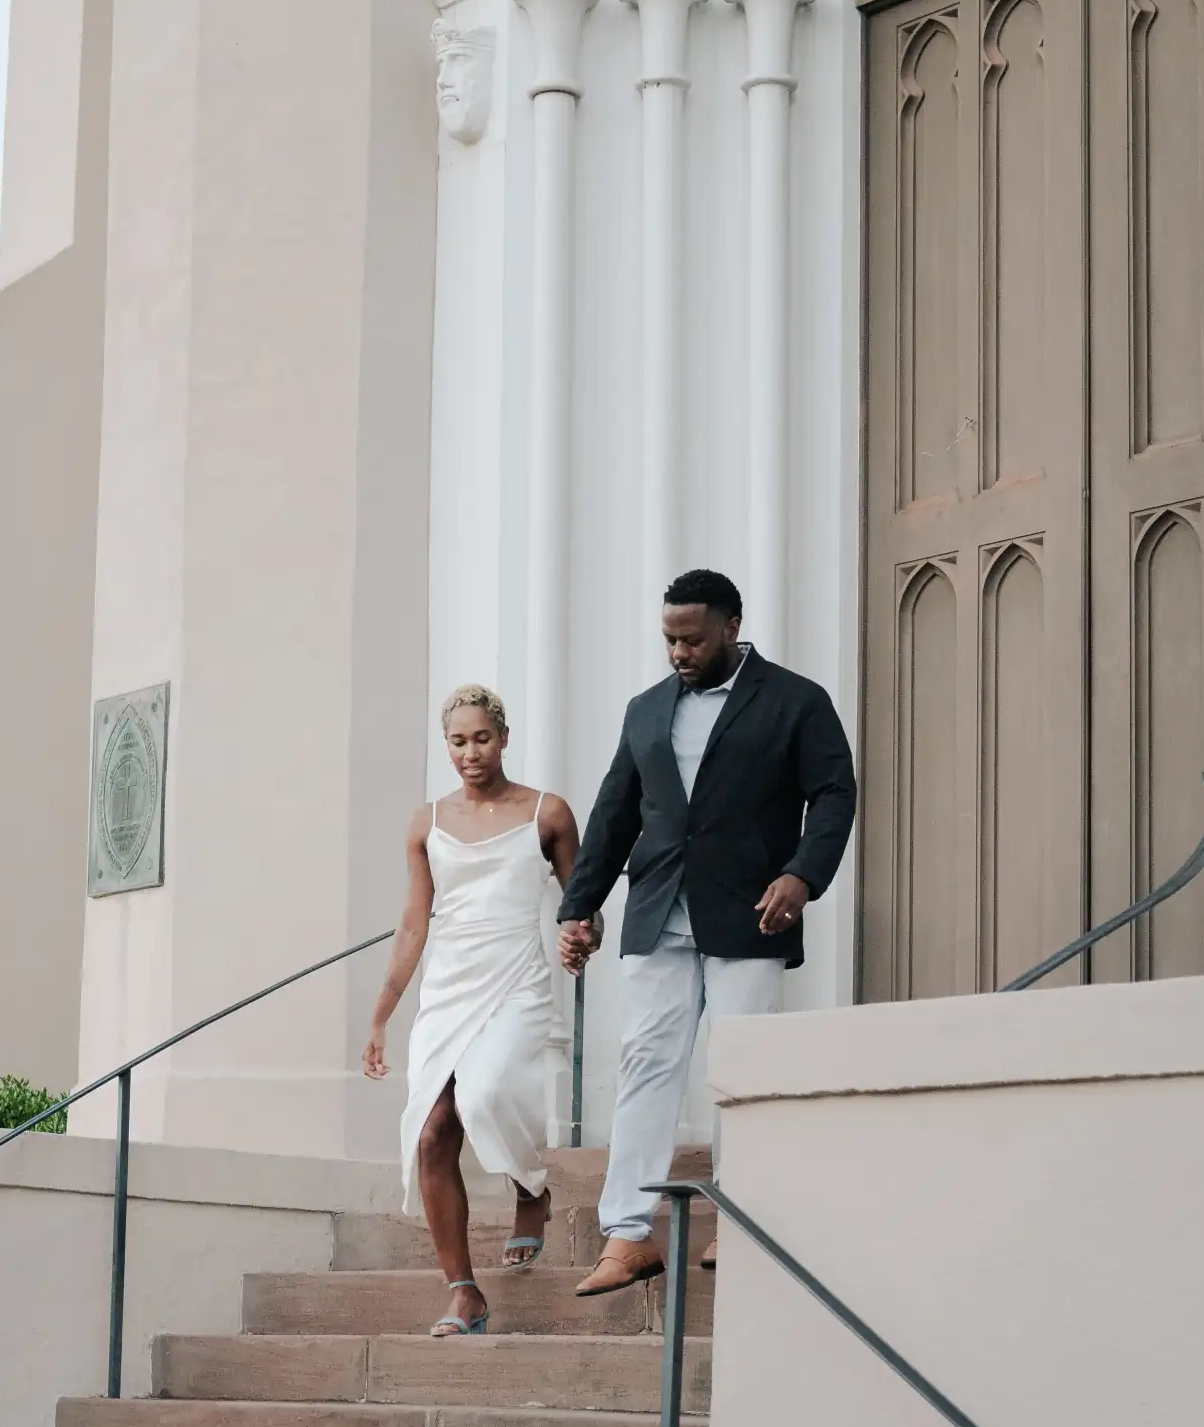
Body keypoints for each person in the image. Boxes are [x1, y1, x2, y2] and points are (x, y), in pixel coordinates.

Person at [558, 571, 856, 1295]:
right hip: (660, 908)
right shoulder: (646, 709)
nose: (679, 652)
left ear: (731, 625)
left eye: (692, 638)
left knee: (742, 1066)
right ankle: (627, 1236)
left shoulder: (795, 700)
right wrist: (580, 904)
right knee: (646, 1064)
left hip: (751, 910)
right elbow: (614, 811)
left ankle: (741, 1218)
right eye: (669, 639)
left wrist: (803, 876)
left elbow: (835, 793)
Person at [364, 686, 579, 1335]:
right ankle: (463, 1291)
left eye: (481, 738)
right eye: (457, 741)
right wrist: (381, 1016)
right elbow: (412, 927)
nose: (470, 753)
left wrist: (579, 931)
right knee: (430, 1134)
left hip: (516, 986)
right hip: (447, 994)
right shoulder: (426, 822)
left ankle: (532, 1188)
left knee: (482, 1097)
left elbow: (583, 898)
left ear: (504, 737)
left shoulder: (549, 813)